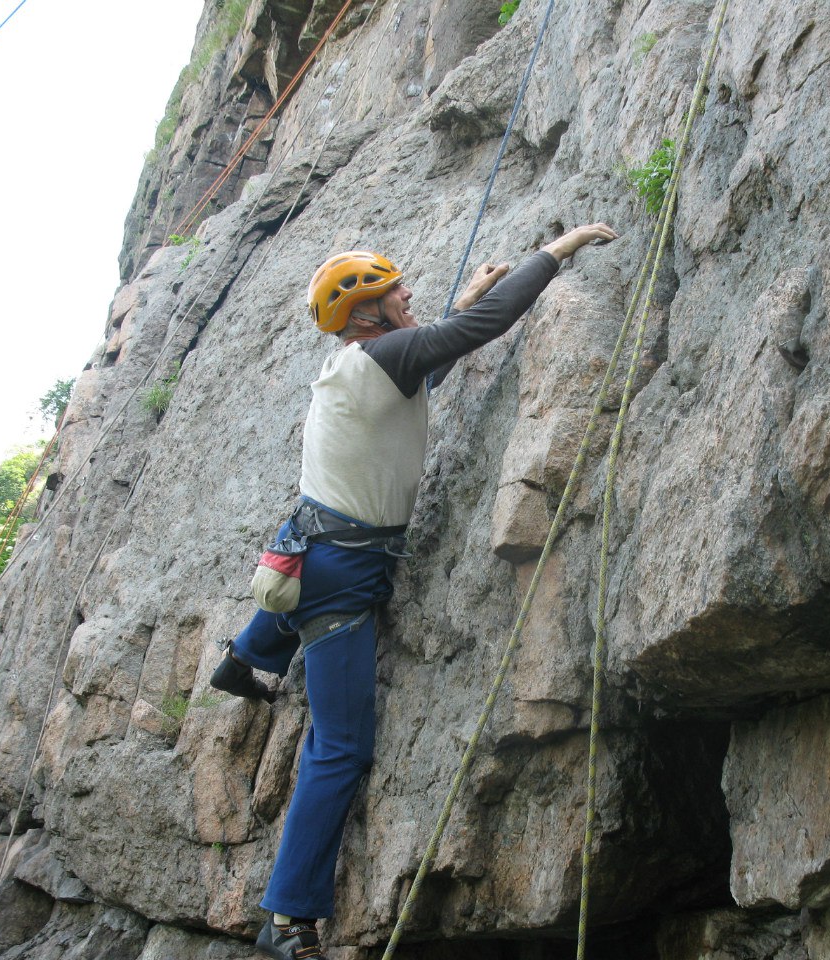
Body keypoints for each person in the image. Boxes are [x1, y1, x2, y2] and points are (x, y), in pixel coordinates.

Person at [211, 222, 618, 959]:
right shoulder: (384, 355)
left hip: (309, 546)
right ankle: (286, 917)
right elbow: (477, 332)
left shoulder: (358, 363)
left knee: (304, 589)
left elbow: (427, 360)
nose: (408, 294)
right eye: (395, 291)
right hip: (340, 575)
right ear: (369, 314)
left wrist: (466, 295)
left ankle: (246, 657)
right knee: (340, 747)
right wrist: (555, 254)